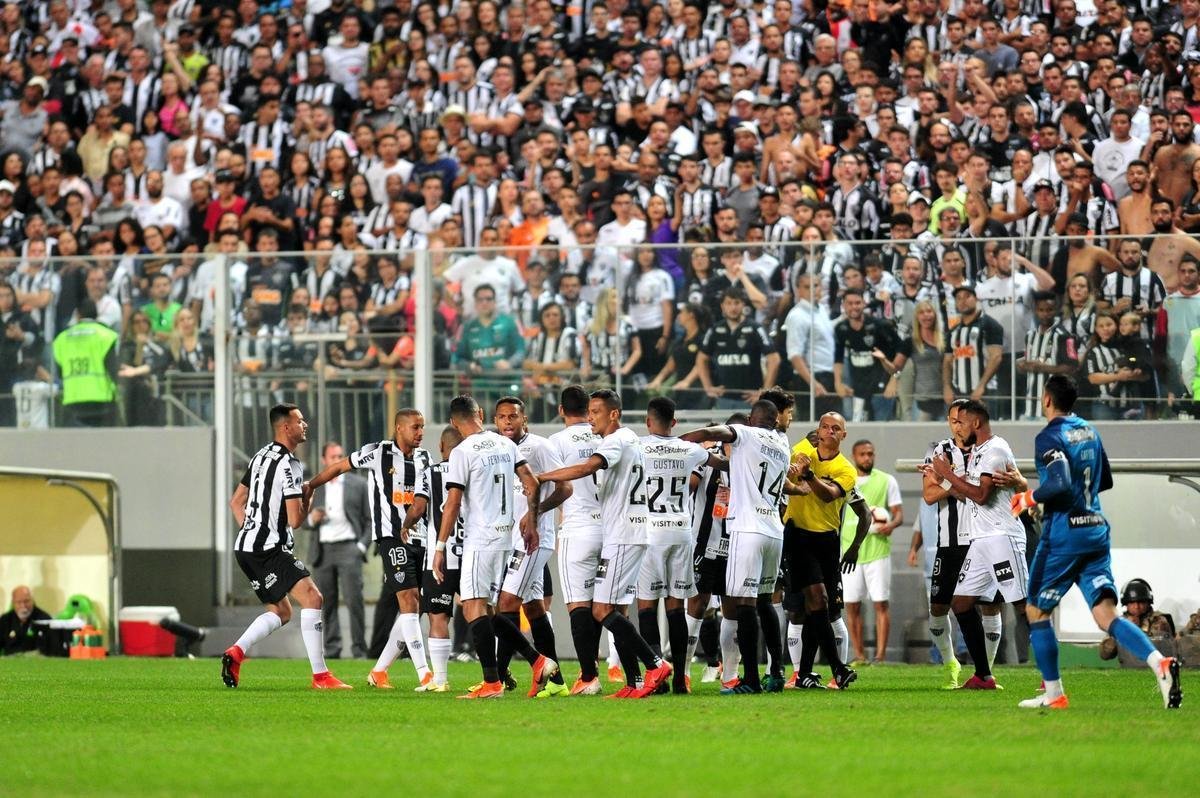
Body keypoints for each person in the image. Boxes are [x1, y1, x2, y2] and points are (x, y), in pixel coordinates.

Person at [1011, 375, 1182, 709]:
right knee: (1106, 615)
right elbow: (1104, 480)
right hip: (1096, 528)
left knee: (1035, 609)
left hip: (1064, 533)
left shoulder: (1049, 436)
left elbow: (1059, 483)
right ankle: (1159, 663)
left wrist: (1029, 497)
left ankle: (1054, 693)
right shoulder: (1090, 430)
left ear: (1046, 399)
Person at [534, 389, 674, 699]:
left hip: (622, 535)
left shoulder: (614, 441)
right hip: (620, 533)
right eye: (588, 411)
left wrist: (542, 477)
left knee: (599, 609)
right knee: (615, 611)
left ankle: (654, 663)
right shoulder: (630, 439)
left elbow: (585, 469)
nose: (590, 417)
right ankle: (634, 682)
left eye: (596, 412)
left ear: (613, 414)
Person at [431, 394, 558, 700]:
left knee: (472, 606)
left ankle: (492, 683)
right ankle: (537, 660)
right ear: (482, 413)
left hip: (480, 538)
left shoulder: (462, 452)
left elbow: (452, 503)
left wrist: (439, 546)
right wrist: (532, 517)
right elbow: (531, 482)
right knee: (487, 609)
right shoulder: (506, 445)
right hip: (505, 538)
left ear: (453, 423)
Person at [221, 403, 351, 690]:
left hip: (245, 547)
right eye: (300, 421)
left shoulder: (260, 456)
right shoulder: (289, 465)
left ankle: (236, 652)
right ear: (285, 427)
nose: (305, 425)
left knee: (282, 611)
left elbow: (235, 502)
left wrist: (252, 529)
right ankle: (321, 677)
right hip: (268, 548)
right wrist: (309, 496)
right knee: (314, 598)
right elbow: (295, 520)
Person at [304, 409, 435, 690]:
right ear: (399, 428)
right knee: (409, 600)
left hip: (422, 538)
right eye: (415, 427)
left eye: (422, 427)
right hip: (391, 536)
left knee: (416, 605)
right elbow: (340, 467)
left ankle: (379, 671)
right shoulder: (377, 452)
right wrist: (311, 485)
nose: (421, 432)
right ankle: (425, 673)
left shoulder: (425, 458)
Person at [681, 400, 798, 694]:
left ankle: (750, 680)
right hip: (773, 530)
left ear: (748, 421)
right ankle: (775, 671)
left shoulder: (745, 435)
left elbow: (718, 431)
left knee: (743, 604)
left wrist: (683, 439)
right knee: (764, 600)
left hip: (746, 531)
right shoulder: (783, 444)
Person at [928, 399, 1028, 691]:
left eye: (963, 421)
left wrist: (946, 476)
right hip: (980, 541)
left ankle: (1051, 673)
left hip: (1001, 537)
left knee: (1023, 604)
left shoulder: (995, 449)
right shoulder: (981, 451)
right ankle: (984, 676)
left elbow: (982, 496)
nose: (958, 427)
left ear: (977, 423)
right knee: (960, 603)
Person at [487, 396, 572, 698]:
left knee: (505, 604)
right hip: (510, 539)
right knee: (533, 608)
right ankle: (557, 681)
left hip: (536, 539)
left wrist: (535, 512)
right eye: (501, 417)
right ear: (494, 420)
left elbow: (566, 487)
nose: (507, 422)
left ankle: (494, 678)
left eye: (513, 417)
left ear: (524, 419)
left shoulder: (539, 447)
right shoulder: (496, 449)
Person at [780, 412, 867, 690]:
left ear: (843, 434)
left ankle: (804, 673)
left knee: (819, 608)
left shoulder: (846, 469)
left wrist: (808, 476)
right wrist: (799, 477)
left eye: (835, 428)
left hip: (828, 540)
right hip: (798, 535)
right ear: (818, 430)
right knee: (817, 599)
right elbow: (788, 479)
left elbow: (829, 494)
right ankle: (838, 669)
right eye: (825, 427)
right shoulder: (801, 451)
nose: (829, 432)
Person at [637, 397, 718, 694]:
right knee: (676, 605)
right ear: (674, 422)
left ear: (648, 421)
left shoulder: (638, 446)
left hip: (650, 532)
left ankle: (656, 675)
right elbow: (719, 463)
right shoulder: (691, 449)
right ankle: (682, 678)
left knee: (647, 605)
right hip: (681, 532)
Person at [545, 384, 605, 695]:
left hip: (577, 527)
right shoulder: (602, 436)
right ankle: (600, 667)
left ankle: (588, 677)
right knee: (602, 605)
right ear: (589, 409)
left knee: (578, 605)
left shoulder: (557, 441)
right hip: (608, 528)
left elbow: (558, 486)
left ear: (560, 410)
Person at [409, 425, 466, 691]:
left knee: (438, 615)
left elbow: (419, 508)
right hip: (473, 554)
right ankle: (497, 674)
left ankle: (440, 680)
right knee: (485, 613)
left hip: (440, 558)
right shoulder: (473, 470)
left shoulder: (430, 473)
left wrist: (406, 524)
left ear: (441, 448)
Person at [305, 441, 371, 661]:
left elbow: (370, 520)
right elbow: (299, 519)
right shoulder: (316, 485)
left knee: (355, 601)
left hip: (349, 548)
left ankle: (359, 650)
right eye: (333, 456)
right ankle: (332, 650)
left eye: (340, 456)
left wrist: (360, 546)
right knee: (326, 603)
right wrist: (311, 519)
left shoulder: (359, 484)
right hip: (322, 551)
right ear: (324, 459)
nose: (337, 460)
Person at [840, 440, 902, 665]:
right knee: (852, 605)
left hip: (878, 551)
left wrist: (891, 525)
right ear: (854, 456)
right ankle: (858, 655)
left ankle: (880, 656)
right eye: (863, 454)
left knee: (880, 603)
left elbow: (898, 515)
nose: (867, 458)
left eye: (871, 454)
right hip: (850, 552)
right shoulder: (845, 481)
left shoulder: (887, 480)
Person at [52, 298, 120, 427]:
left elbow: (60, 371)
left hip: (72, 399)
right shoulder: (106, 336)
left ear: (78, 315)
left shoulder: (61, 339)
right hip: (102, 400)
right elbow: (112, 368)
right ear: (97, 314)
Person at [1099, 579, 1179, 667]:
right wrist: (1122, 631)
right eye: (1132, 602)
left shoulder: (1159, 620)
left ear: (1148, 603)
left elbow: (1164, 649)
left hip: (1157, 668)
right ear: (1126, 604)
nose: (1136, 606)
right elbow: (1105, 654)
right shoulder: (1119, 623)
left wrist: (1136, 628)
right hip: (1129, 671)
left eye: (1141, 602)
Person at [0, 586, 51, 655]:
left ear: (32, 601)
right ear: (13, 603)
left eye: (26, 601)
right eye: (19, 602)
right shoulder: (5, 620)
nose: (23, 605)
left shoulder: (44, 619)